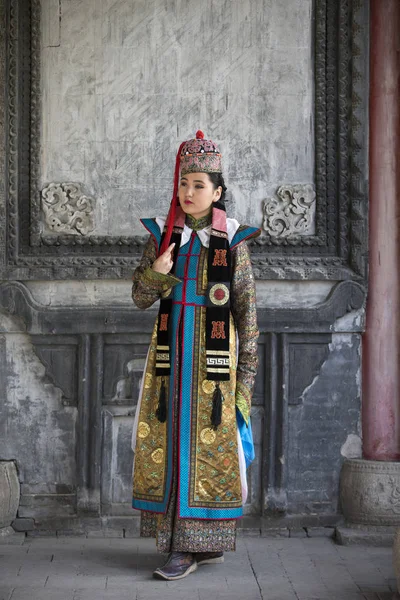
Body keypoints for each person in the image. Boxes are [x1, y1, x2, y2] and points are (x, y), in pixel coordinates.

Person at [131, 130, 260, 580]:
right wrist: (157, 271)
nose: (188, 193)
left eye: (199, 185)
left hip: (214, 374)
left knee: (205, 452)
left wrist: (243, 388)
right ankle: (182, 547)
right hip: (169, 368)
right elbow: (140, 298)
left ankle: (194, 548)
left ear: (218, 191)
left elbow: (248, 322)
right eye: (184, 184)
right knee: (173, 449)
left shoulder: (234, 245)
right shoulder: (163, 237)